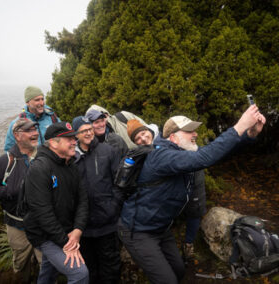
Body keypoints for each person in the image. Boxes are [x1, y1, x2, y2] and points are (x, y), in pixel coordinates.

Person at [118, 105, 266, 283]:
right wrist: (240, 125)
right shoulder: (162, 156)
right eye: (189, 131)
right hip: (138, 231)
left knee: (180, 271)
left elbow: (216, 152)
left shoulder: (180, 152)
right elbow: (205, 157)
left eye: (194, 130)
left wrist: (249, 135)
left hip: (160, 228)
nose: (195, 134)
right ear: (173, 137)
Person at [127, 118, 205, 260]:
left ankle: (188, 244)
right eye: (137, 139)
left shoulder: (168, 142)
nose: (143, 139)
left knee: (195, 209)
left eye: (144, 133)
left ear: (149, 130)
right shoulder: (141, 153)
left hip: (193, 178)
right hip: (163, 207)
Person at [23, 122, 89, 284]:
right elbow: (42, 212)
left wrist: (78, 230)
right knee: (79, 273)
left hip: (65, 230)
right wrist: (66, 243)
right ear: (53, 143)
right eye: (68, 139)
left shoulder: (70, 165)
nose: (74, 141)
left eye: (74, 138)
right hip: (44, 234)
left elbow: (83, 199)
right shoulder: (40, 168)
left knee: (48, 272)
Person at [0, 118, 42, 282]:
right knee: (20, 265)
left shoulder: (46, 157)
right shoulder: (4, 162)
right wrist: (11, 191)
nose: (35, 133)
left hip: (43, 224)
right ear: (17, 135)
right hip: (17, 225)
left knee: (47, 265)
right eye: (29, 130)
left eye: (35, 129)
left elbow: (57, 182)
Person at [72, 116, 123, 284]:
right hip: (82, 228)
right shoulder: (70, 157)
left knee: (111, 268)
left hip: (106, 223)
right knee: (89, 269)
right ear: (75, 135)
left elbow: (120, 182)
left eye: (90, 129)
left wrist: (113, 206)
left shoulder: (108, 151)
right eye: (84, 130)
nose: (88, 133)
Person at [4, 86, 60, 152]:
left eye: (42, 99)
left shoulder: (53, 118)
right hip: (30, 162)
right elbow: (9, 150)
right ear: (27, 102)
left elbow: (63, 140)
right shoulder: (17, 123)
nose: (41, 103)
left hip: (52, 161)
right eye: (37, 100)